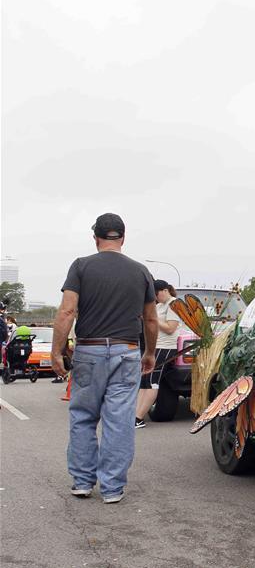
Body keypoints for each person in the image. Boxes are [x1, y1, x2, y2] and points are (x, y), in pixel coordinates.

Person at [51, 213, 157, 504]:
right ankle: (112, 488)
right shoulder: (141, 272)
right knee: (119, 420)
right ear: (123, 237)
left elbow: (67, 312)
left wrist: (57, 351)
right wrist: (149, 352)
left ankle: (83, 482)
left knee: (83, 416)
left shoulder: (81, 266)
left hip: (89, 350)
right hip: (127, 351)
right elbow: (150, 318)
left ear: (95, 237)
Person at [134, 281, 181, 428]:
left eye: (156, 294)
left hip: (165, 347)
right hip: (154, 346)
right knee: (145, 381)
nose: (155, 298)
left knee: (153, 382)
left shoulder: (174, 304)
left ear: (165, 290)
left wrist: (153, 320)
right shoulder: (160, 306)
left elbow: (170, 328)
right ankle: (135, 414)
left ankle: (139, 418)